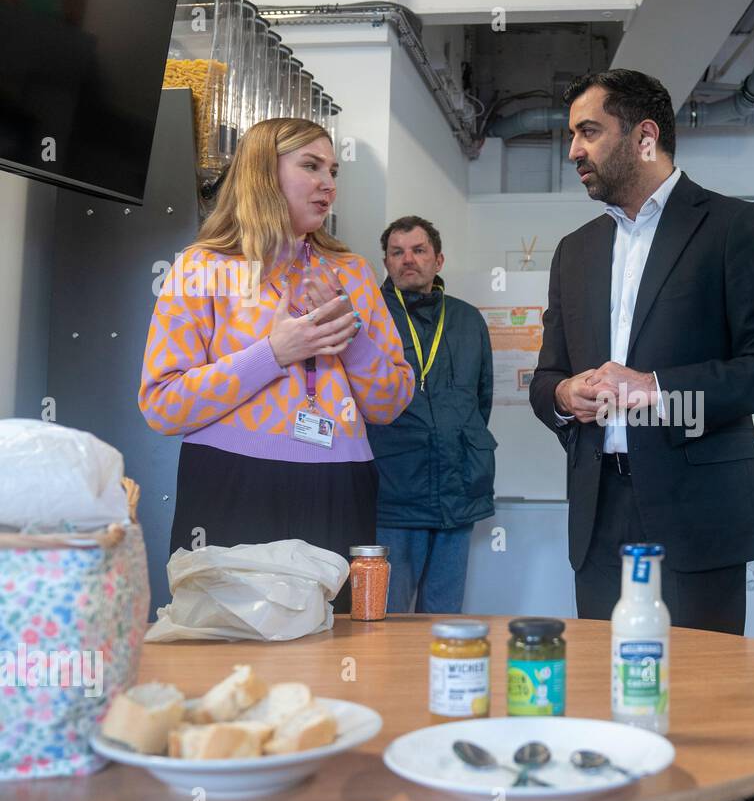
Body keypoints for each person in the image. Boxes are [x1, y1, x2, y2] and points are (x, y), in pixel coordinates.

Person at [529, 69, 754, 801]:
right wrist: (566, 393)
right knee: (617, 706)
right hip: (601, 510)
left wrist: (656, 388)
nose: (572, 149)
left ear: (645, 135)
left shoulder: (731, 226)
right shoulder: (576, 251)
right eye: (571, 134)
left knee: (700, 713)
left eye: (588, 131)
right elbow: (547, 377)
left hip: (698, 511)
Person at [139, 118, 415, 612]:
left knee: (339, 645)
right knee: (229, 646)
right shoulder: (202, 266)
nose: (328, 183)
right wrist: (273, 353)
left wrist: (348, 336)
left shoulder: (351, 271)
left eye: (332, 170)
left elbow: (390, 403)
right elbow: (163, 405)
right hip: (232, 482)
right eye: (310, 166)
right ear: (263, 173)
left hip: (340, 483)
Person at [369, 216, 495, 614]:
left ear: (438, 260)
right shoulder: (369, 319)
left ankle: (439, 680)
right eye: (397, 252)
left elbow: (481, 399)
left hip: (458, 489)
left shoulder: (467, 319)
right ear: (386, 262)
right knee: (383, 620)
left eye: (419, 250)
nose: (408, 259)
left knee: (443, 618)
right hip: (394, 491)